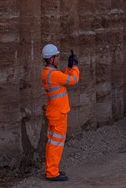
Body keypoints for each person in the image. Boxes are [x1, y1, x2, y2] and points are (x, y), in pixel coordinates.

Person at [41, 43, 80, 182]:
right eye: (57, 56)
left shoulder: (48, 73)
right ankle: (52, 172)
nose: (58, 58)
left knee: (52, 143)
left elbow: (64, 79)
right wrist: (74, 67)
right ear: (51, 59)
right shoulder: (54, 74)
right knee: (56, 144)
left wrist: (69, 68)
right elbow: (73, 80)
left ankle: (51, 169)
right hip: (59, 113)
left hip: (54, 112)